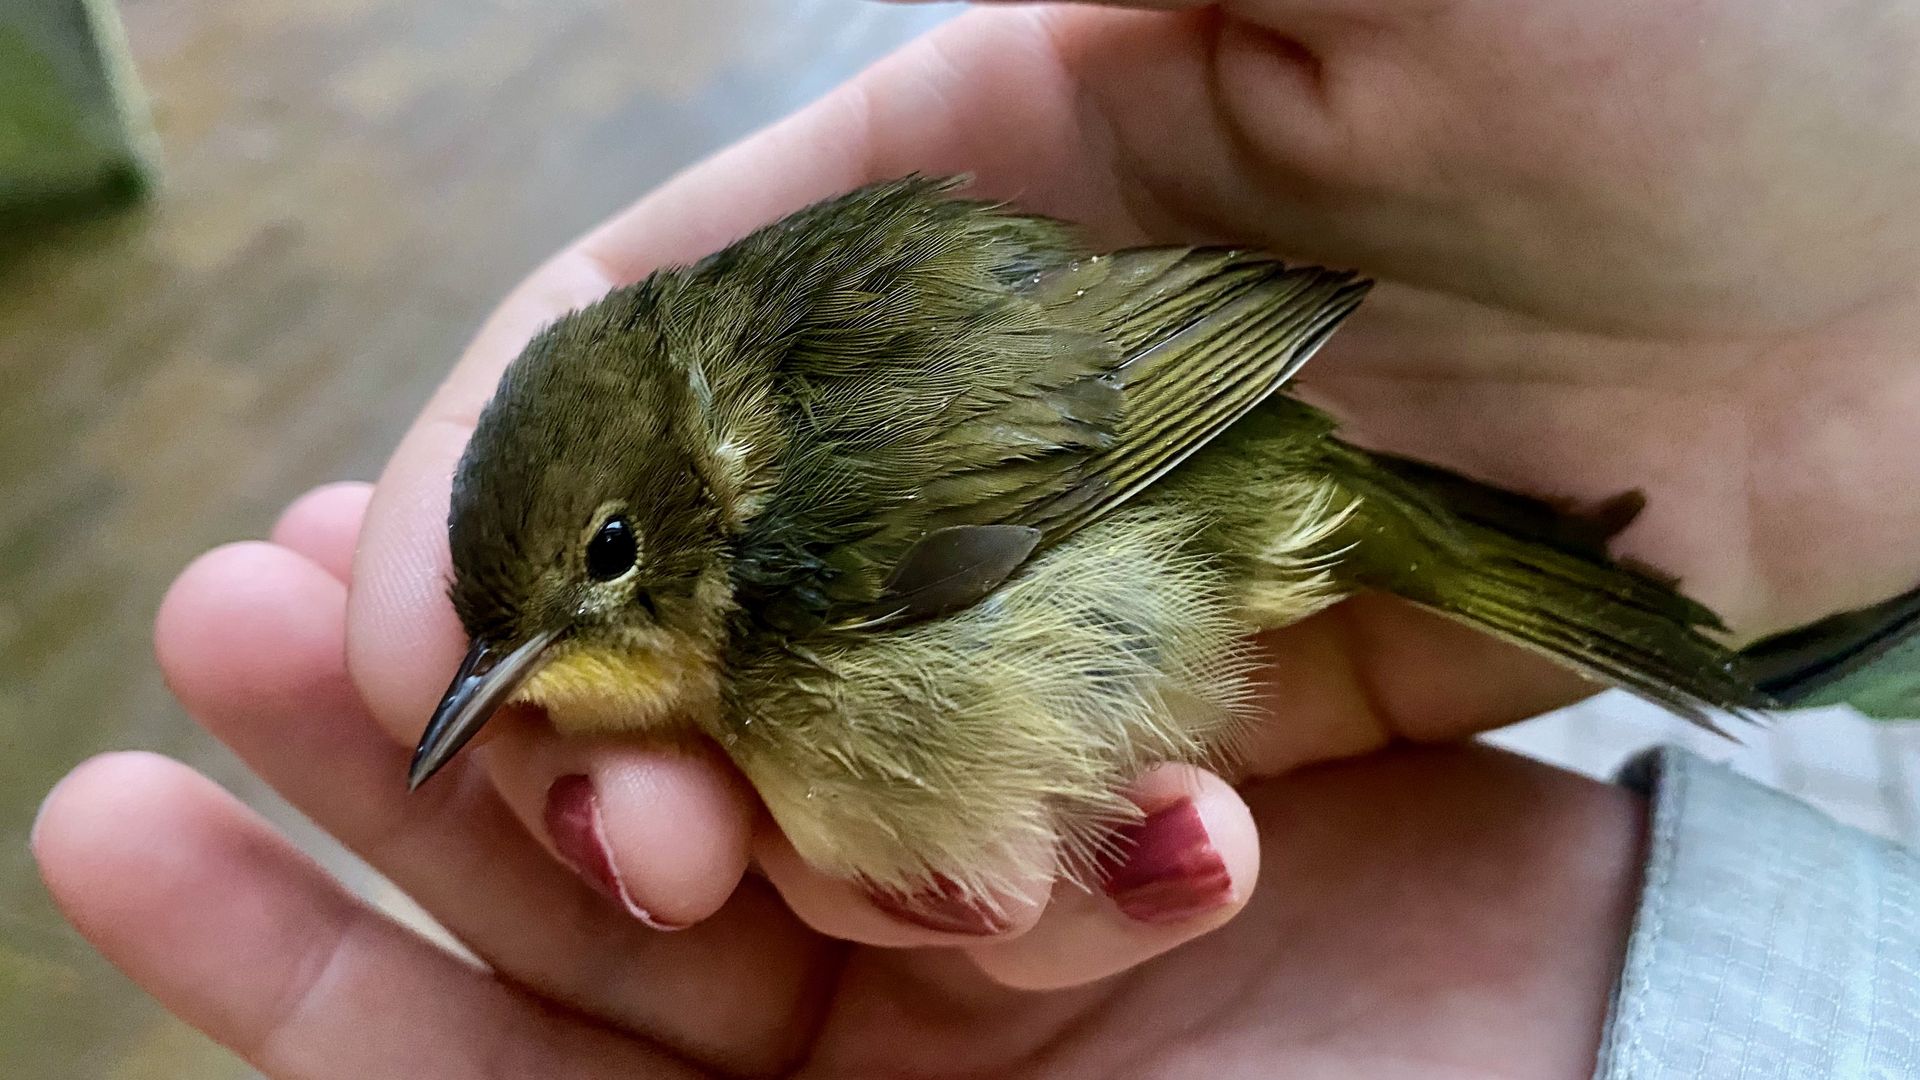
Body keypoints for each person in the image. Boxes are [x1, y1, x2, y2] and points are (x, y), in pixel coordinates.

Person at [32, 1, 1920, 1075]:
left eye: (596, 573)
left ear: (690, 499)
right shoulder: (704, 427)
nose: (532, 669)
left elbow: (1136, 396)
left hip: (1199, 476)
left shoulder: (812, 512)